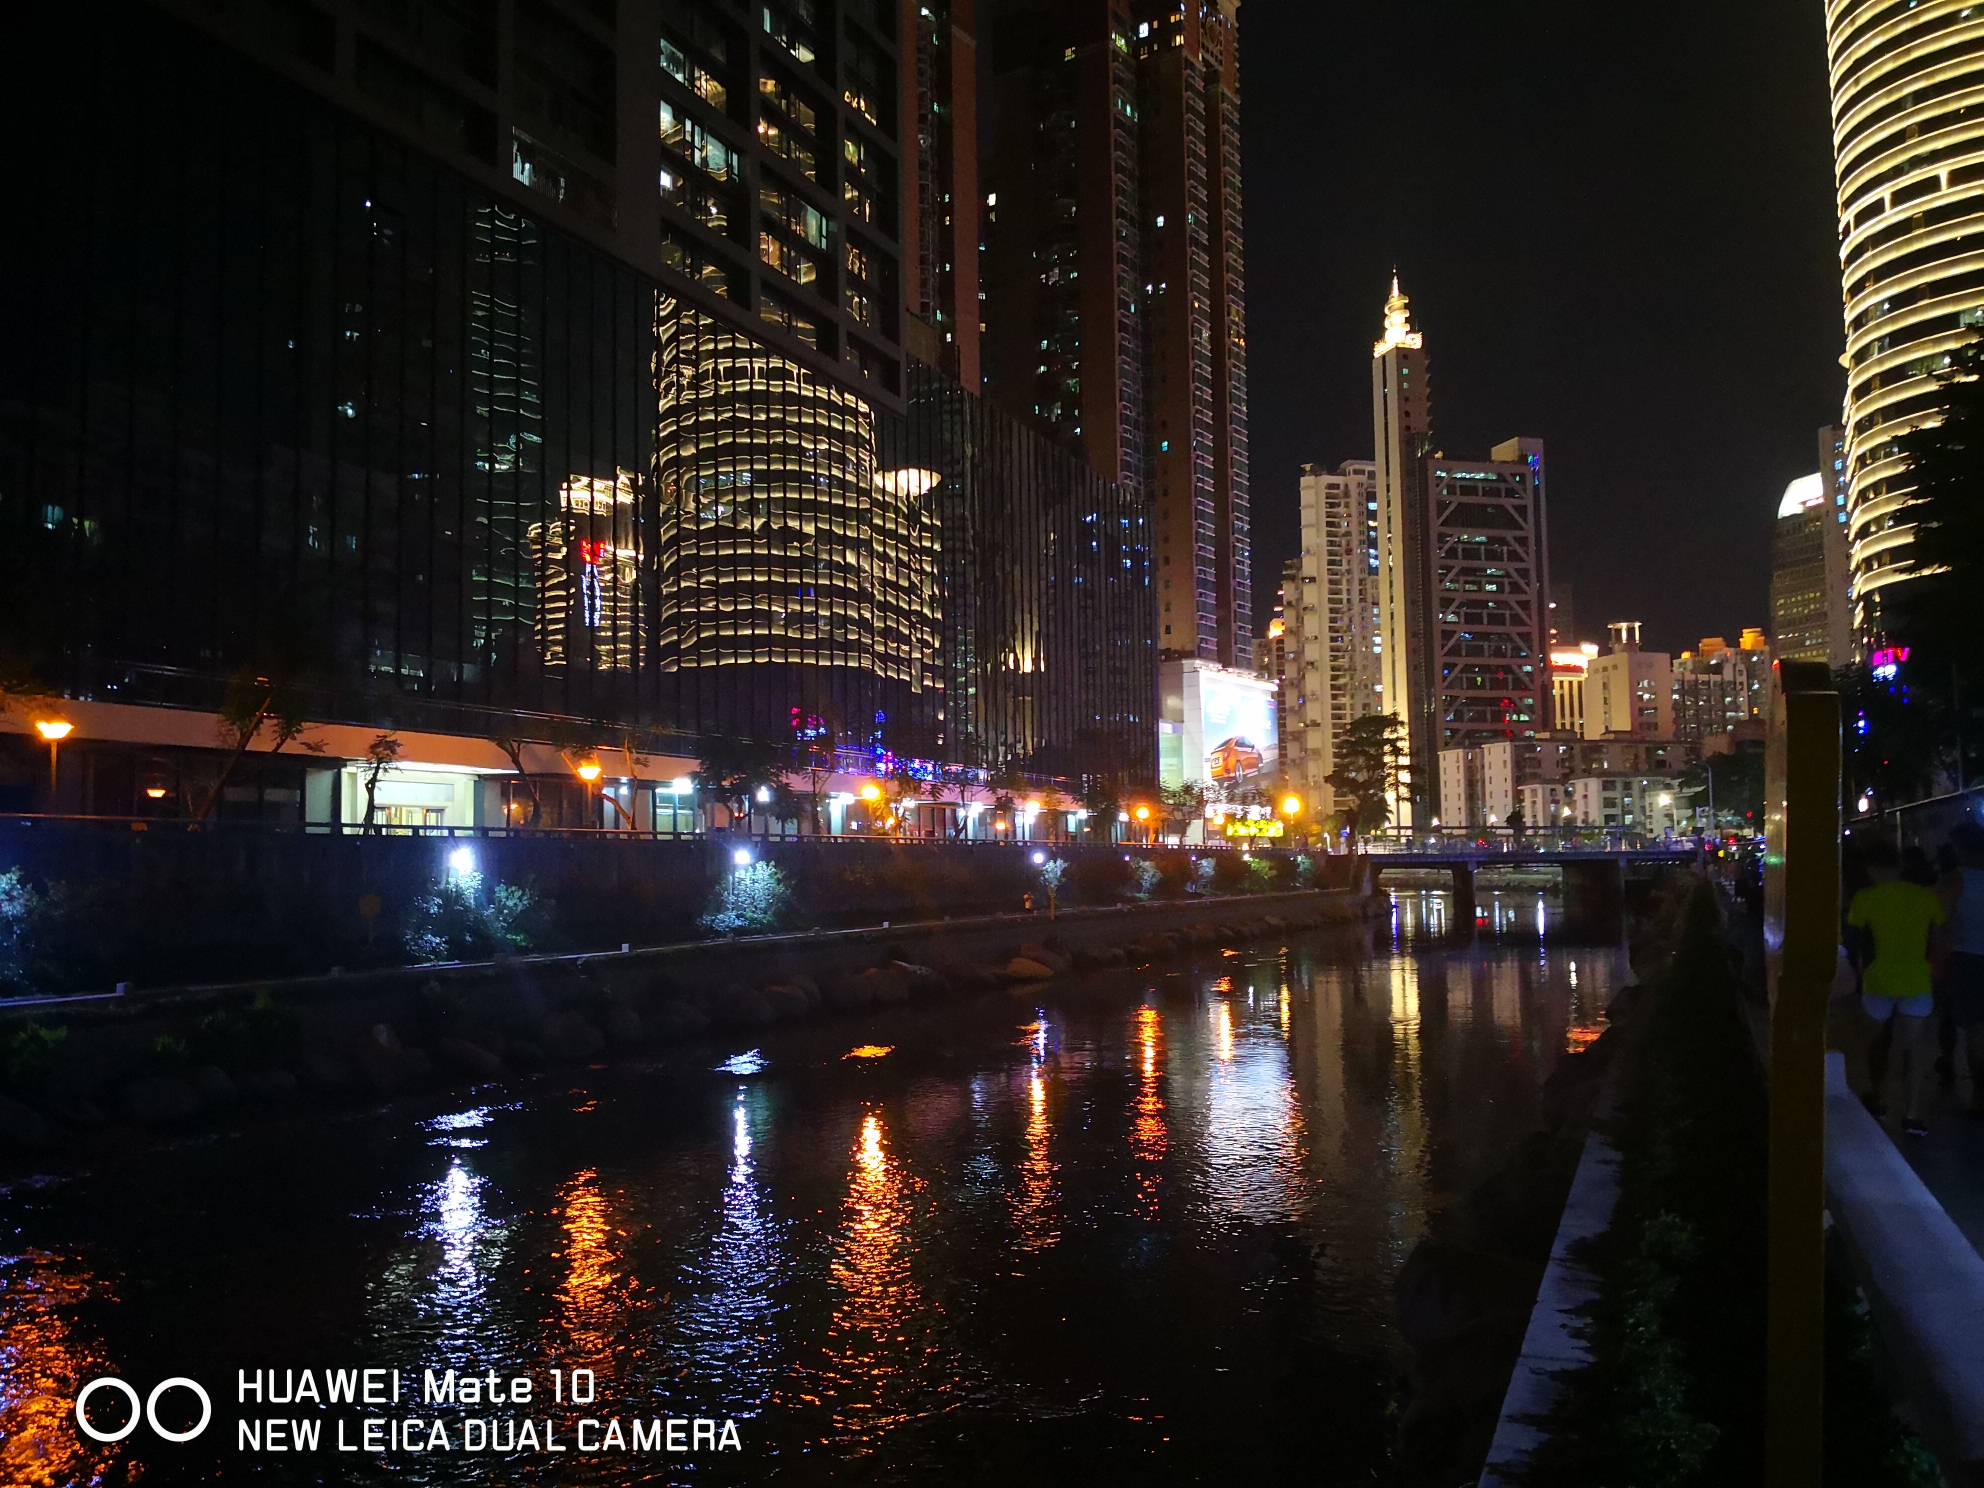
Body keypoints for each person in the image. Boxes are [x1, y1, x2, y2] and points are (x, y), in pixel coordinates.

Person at [1847, 836, 1946, 1135]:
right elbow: (1939, 937)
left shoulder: (1865, 898)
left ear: (1871, 868)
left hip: (1878, 980)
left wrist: (1857, 970)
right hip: (1917, 980)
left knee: (1878, 1041)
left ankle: (1877, 1097)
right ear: (1899, 865)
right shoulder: (1924, 897)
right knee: (1914, 1049)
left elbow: (1854, 941)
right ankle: (1913, 1114)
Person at [1939, 822, 1984, 1117]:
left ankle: (1980, 1095)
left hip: (1967, 958)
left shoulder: (1955, 880)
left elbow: (1943, 921)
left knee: (1976, 1028)